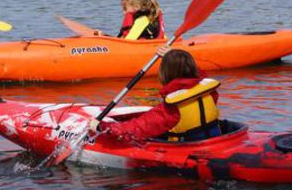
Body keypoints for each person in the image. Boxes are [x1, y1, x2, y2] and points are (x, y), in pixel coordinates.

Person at [89, 48, 221, 142]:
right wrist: (174, 57)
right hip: (214, 140)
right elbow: (197, 77)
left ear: (165, 74)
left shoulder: (171, 109)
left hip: (187, 150)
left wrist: (102, 127)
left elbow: (137, 128)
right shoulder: (210, 92)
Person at [94, 0, 165, 39]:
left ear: (137, 7)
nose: (124, 12)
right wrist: (105, 36)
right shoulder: (147, 17)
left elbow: (128, 41)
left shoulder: (142, 20)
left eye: (125, 8)